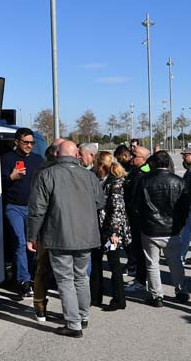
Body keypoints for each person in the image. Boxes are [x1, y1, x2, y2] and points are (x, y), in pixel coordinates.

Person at [26, 140, 105, 338]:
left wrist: (32, 235)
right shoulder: (89, 176)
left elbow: (37, 210)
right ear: (76, 155)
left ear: (57, 154)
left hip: (59, 234)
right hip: (85, 234)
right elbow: (99, 202)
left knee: (65, 279)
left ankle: (73, 323)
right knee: (81, 277)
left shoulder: (47, 175)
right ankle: (83, 316)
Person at [138, 151, 191, 306]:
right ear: (168, 163)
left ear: (153, 163)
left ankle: (156, 296)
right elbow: (185, 207)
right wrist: (180, 224)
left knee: (152, 264)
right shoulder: (178, 181)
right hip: (171, 228)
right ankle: (181, 291)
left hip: (150, 228)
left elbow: (137, 205)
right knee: (175, 262)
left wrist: (143, 222)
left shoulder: (144, 181)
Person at [0, 128, 45, 298]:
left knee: (33, 244)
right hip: (14, 207)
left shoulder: (38, 159)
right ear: (17, 142)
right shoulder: (6, 159)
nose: (29, 145)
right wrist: (11, 177)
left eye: (32, 143)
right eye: (26, 142)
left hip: (34, 208)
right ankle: (23, 281)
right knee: (19, 242)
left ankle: (33, 276)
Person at [90, 151, 131, 311]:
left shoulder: (114, 182)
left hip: (112, 231)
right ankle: (95, 297)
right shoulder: (97, 179)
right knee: (95, 261)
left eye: (95, 163)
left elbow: (117, 208)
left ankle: (119, 300)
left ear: (101, 165)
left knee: (114, 264)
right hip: (98, 228)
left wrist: (114, 233)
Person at [30, 138, 65, 322]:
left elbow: (35, 206)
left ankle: (40, 307)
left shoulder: (40, 171)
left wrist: (32, 233)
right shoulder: (64, 172)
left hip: (46, 227)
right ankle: (71, 312)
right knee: (65, 270)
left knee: (42, 269)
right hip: (61, 227)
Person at [124, 146, 151, 291]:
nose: (131, 158)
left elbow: (134, 198)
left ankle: (141, 280)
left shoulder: (143, 173)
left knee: (140, 250)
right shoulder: (135, 171)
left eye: (134, 156)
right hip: (134, 216)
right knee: (138, 249)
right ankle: (140, 277)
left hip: (139, 217)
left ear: (143, 159)